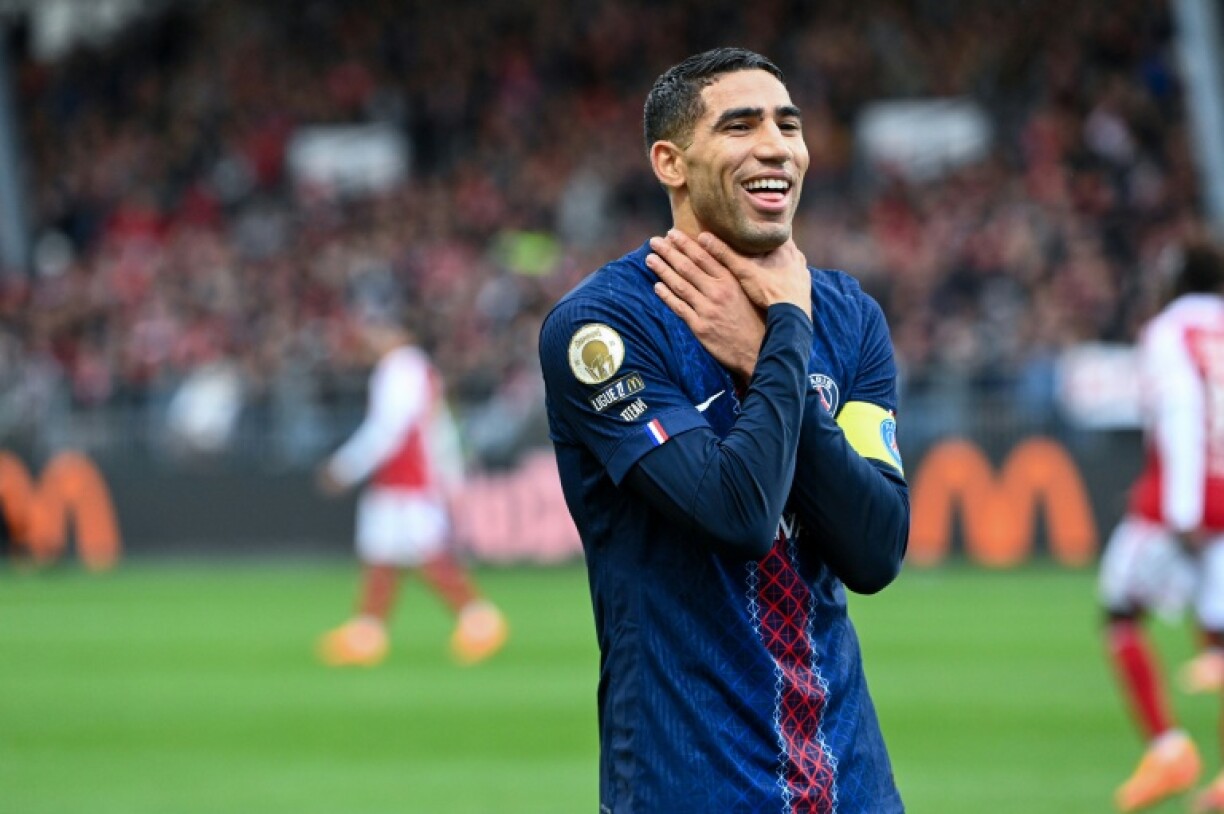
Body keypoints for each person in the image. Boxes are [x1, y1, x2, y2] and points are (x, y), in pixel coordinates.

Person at [538, 47, 909, 812]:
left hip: (853, 788)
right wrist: (785, 338)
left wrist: (774, 342)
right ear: (670, 163)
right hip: (689, 786)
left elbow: (877, 550)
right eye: (740, 125)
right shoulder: (603, 327)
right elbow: (737, 514)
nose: (776, 146)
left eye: (788, 125)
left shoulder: (849, 318)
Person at [1099, 240, 1224, 813]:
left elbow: (1180, 413)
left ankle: (1168, 749)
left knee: (1119, 607)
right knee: (1217, 632)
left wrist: (1184, 510)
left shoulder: (1170, 331)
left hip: (1186, 497)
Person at [316, 313, 508, 668]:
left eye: (379, 330)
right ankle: (368, 633)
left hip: (408, 481)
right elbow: (439, 427)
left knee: (424, 554)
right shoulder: (416, 369)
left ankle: (480, 621)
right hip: (403, 480)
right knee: (381, 552)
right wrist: (451, 474)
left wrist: (346, 466)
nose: (371, 338)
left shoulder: (400, 370)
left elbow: (389, 429)